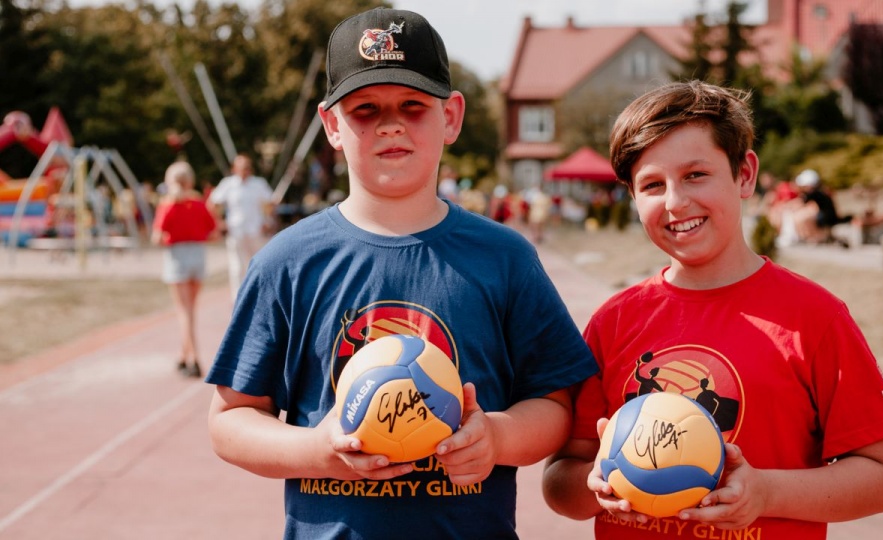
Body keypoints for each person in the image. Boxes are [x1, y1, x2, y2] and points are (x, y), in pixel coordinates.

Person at [204, 7, 598, 539]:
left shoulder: (504, 257)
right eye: (365, 109)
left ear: (452, 117)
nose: (391, 124)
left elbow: (555, 405)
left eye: (413, 105)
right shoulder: (287, 262)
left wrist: (497, 438)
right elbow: (229, 421)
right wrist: (316, 450)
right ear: (332, 126)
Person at [541, 81, 883, 539]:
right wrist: (593, 484)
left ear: (745, 174)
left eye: (696, 174)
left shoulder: (814, 318)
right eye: (653, 185)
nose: (676, 202)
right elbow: (559, 483)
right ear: (633, 199)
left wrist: (767, 493)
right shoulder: (613, 322)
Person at [150, 161, 217, 377]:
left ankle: (195, 359)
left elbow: (157, 237)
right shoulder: (199, 204)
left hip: (178, 256)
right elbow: (214, 233)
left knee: (184, 312)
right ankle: (182, 355)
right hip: (197, 255)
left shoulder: (167, 204)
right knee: (190, 310)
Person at [207, 153, 274, 300]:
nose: (245, 171)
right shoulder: (228, 184)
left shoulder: (259, 183)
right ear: (235, 169)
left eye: (247, 167)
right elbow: (213, 203)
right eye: (242, 167)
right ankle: (238, 298)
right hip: (236, 230)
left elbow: (270, 203)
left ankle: (260, 296)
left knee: (259, 263)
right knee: (237, 266)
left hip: (256, 230)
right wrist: (220, 222)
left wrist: (267, 220)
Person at [792, 168, 851, 245]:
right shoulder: (821, 191)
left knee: (804, 217)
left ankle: (816, 237)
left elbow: (801, 203)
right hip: (829, 215)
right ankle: (814, 237)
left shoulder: (814, 193)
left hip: (826, 217)